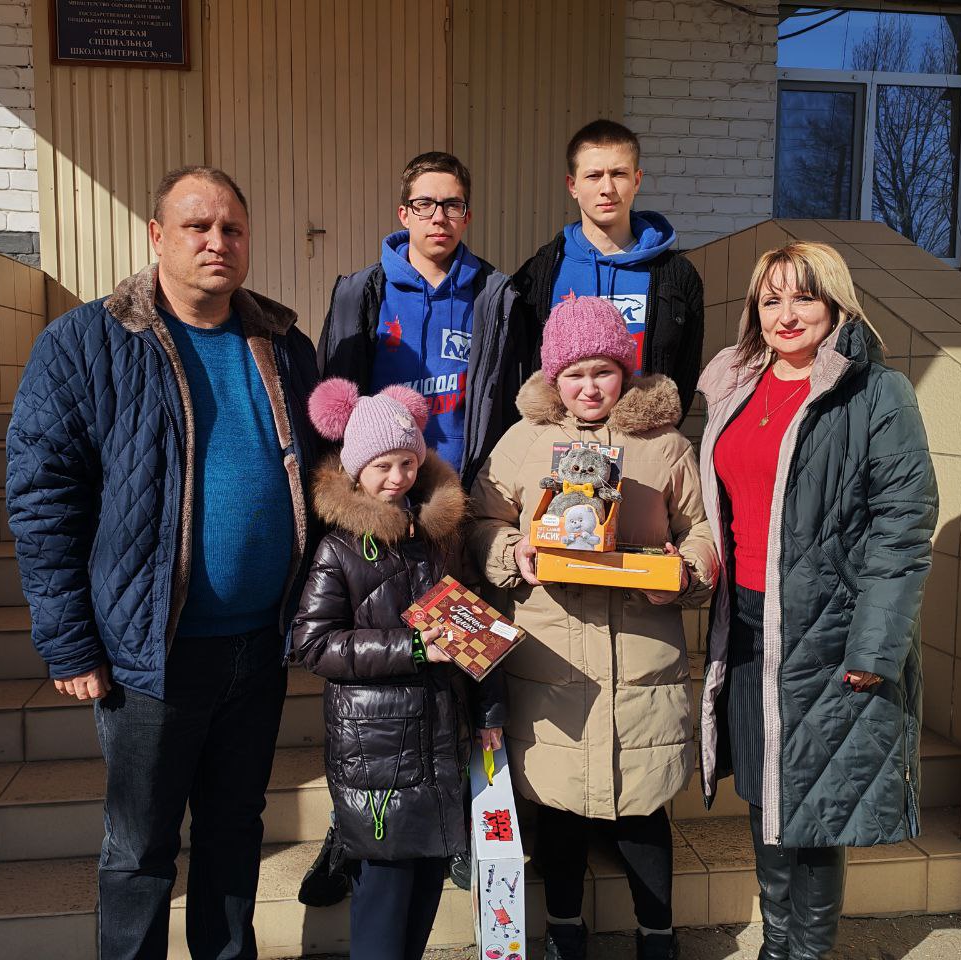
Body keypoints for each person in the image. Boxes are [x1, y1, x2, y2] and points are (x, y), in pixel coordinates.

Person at [6, 166, 319, 960]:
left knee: (233, 832)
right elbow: (43, 500)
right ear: (156, 235)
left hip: (259, 647)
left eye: (232, 229)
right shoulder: (86, 342)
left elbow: (323, 475)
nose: (218, 242)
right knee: (141, 847)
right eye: (197, 227)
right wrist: (68, 641)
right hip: (151, 654)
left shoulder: (284, 345)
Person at [695, 241, 937, 959]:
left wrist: (875, 645)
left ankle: (806, 952)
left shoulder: (876, 392)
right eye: (771, 299)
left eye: (803, 296)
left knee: (817, 801)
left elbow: (903, 526)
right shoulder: (735, 383)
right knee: (766, 792)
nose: (787, 314)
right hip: (746, 621)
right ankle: (776, 946)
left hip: (831, 629)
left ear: (835, 304)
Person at [467, 296, 718, 960]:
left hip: (641, 661)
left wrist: (684, 572)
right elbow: (481, 520)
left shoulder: (664, 445)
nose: (588, 387)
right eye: (573, 374)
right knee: (559, 811)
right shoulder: (523, 441)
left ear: (625, 371)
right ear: (554, 378)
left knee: (644, 809)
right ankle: (565, 930)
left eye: (603, 371)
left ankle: (657, 934)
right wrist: (511, 553)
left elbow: (701, 531)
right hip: (553, 661)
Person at [292, 379, 506, 960]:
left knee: (425, 895)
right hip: (376, 753)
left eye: (408, 463)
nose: (397, 478)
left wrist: (489, 713)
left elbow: (474, 629)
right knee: (384, 905)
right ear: (356, 470)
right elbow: (313, 644)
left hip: (440, 742)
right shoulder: (339, 550)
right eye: (382, 466)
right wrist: (410, 647)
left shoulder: (439, 538)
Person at [318, 150, 536, 489]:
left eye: (452, 205)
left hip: (468, 487)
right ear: (404, 214)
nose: (439, 217)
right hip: (384, 490)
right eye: (425, 204)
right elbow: (335, 399)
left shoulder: (495, 298)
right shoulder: (359, 294)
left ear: (467, 216)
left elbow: (512, 403)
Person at [513, 119, 704, 413]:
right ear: (572, 185)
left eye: (619, 174)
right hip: (559, 435)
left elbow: (685, 371)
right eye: (593, 175)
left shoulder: (677, 276)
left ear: (637, 181)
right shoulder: (538, 274)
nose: (607, 188)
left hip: (642, 434)